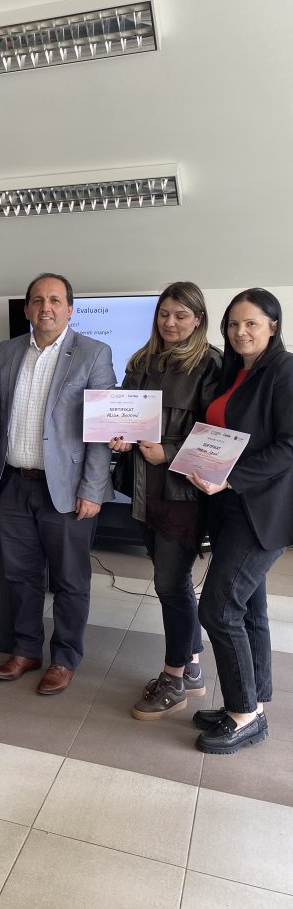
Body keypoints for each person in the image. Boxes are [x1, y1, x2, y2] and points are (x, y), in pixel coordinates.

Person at [0, 273, 115, 695]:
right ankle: (26, 650)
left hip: (66, 489)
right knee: (20, 576)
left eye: (55, 300)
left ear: (70, 309)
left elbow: (101, 430)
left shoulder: (93, 353)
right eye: (38, 300)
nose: (46, 307)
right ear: (27, 308)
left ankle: (64, 658)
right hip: (12, 484)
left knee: (69, 580)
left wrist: (93, 489)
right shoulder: (8, 351)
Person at [109, 282, 222, 719]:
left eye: (180, 315)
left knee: (170, 585)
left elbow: (218, 436)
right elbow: (121, 413)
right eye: (164, 314)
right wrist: (117, 437)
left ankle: (174, 679)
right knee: (171, 582)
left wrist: (170, 453)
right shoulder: (142, 361)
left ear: (198, 319)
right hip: (142, 489)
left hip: (182, 494)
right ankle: (190, 667)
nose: (170, 323)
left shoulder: (211, 364)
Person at [188, 289, 293, 754]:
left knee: (218, 608)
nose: (240, 332)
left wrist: (230, 477)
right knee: (249, 610)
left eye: (251, 323)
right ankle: (252, 703)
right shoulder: (235, 372)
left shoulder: (285, 371)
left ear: (273, 325)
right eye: (233, 324)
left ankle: (243, 714)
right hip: (229, 506)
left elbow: (290, 445)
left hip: (261, 510)